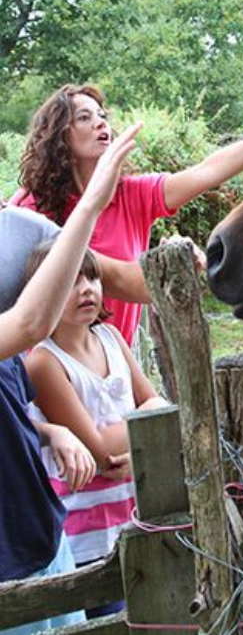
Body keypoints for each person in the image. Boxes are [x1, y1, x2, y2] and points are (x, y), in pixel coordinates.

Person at [10, 84, 243, 345]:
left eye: (102, 115)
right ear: (58, 136)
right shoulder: (31, 207)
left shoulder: (133, 195)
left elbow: (206, 171)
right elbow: (126, 282)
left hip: (116, 358)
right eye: (84, 117)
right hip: (48, 368)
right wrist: (175, 264)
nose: (100, 123)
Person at [0, 124, 142, 635]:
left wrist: (48, 430)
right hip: (9, 572)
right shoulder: (31, 344)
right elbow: (31, 325)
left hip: (45, 538)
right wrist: (90, 206)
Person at [24, 241, 169, 620]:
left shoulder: (113, 339)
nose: (86, 288)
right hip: (84, 533)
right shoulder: (43, 362)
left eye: (91, 277)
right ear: (44, 291)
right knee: (107, 619)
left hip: (131, 512)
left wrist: (151, 418)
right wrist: (146, 427)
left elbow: (155, 407)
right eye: (71, 281)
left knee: (150, 611)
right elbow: (101, 451)